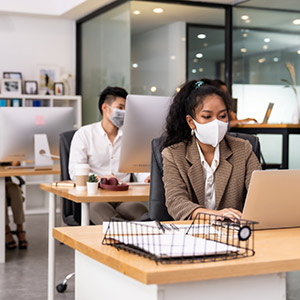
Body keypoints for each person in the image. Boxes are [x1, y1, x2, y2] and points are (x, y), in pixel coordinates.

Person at [161, 79, 261, 221]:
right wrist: (214, 215)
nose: (216, 123)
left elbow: (260, 194)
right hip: (191, 234)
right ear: (191, 122)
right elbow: (176, 202)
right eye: (207, 116)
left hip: (232, 233)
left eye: (222, 116)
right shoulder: (173, 154)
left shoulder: (242, 148)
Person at [69, 86, 149, 224]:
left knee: (143, 215)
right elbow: (75, 172)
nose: (124, 112)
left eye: (126, 109)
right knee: (109, 220)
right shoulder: (84, 134)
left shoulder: (131, 136)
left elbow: (137, 167)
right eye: (120, 107)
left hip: (124, 196)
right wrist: (99, 178)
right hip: (95, 196)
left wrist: (147, 177)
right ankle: (123, 243)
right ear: (105, 108)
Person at [3, 164, 28, 250]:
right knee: (1, 196)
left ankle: (20, 228)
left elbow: (14, 163)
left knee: (15, 190)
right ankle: (6, 229)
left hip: (6, 181)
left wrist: (16, 162)